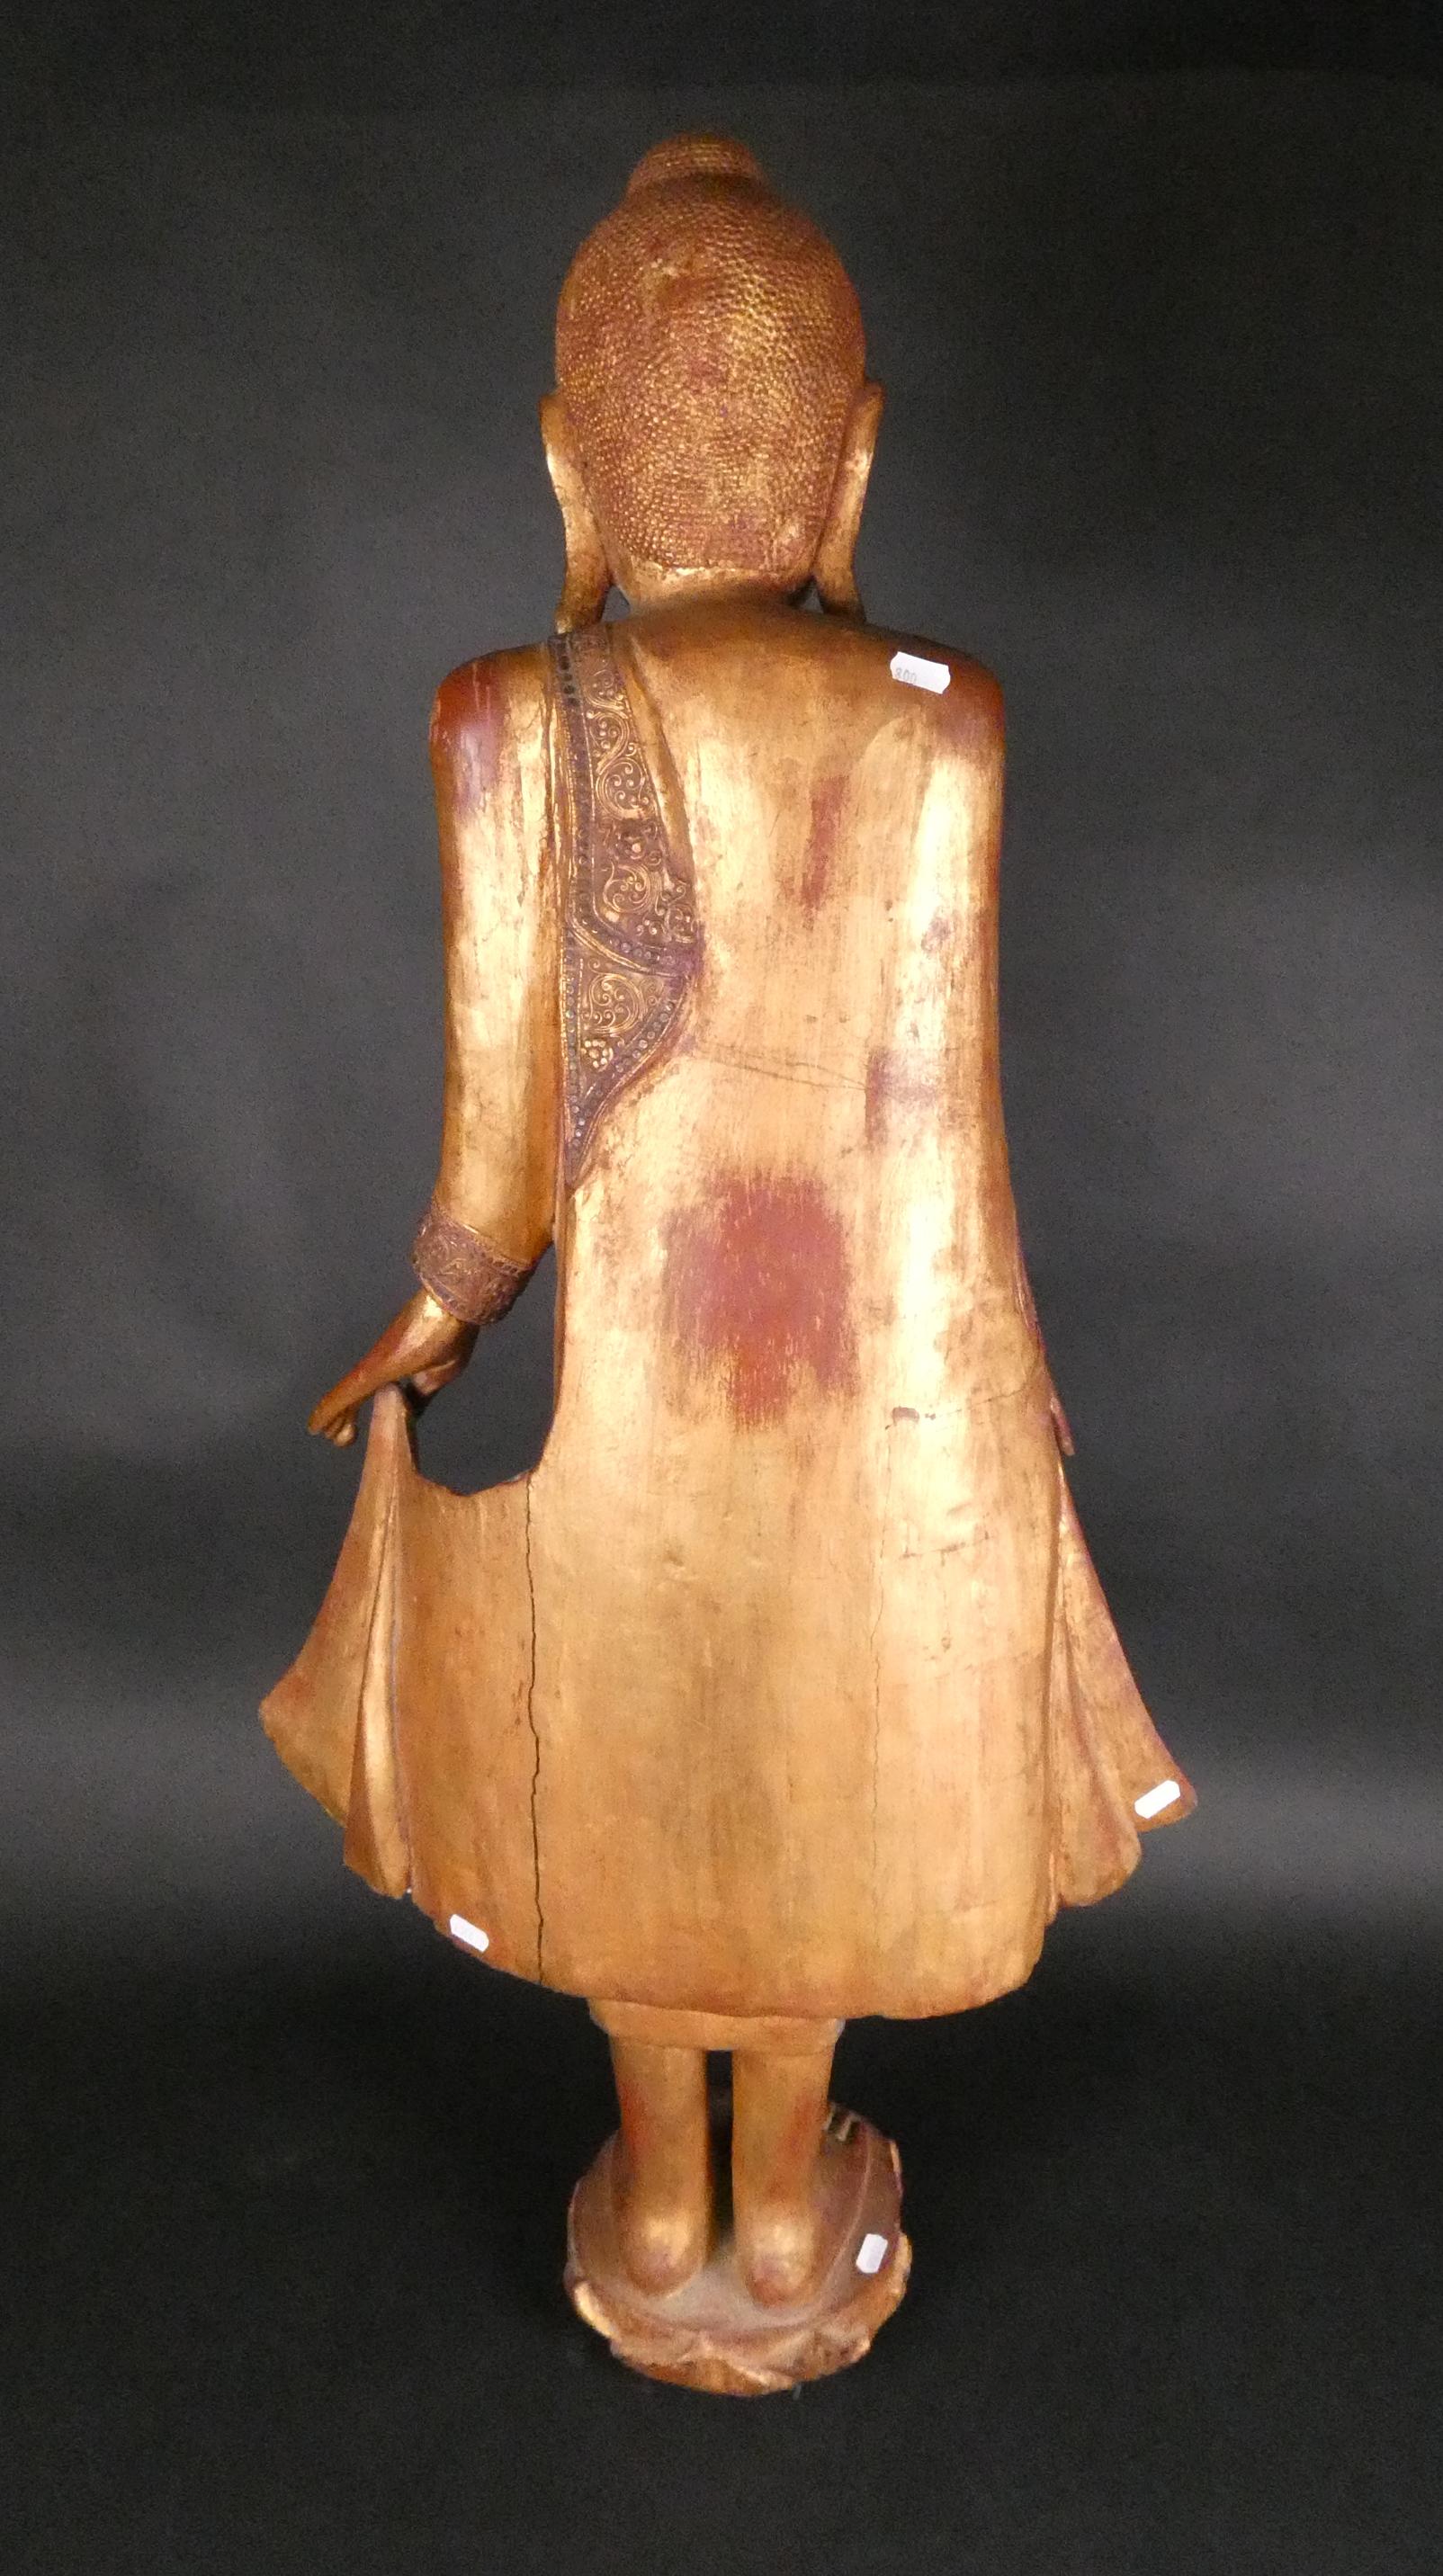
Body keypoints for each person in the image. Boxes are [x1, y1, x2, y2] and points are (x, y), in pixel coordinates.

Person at [264, 132, 1194, 2393]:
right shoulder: (939, 725)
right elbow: (946, 1129)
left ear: (570, 468)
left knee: (638, 1757)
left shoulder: (506, 722)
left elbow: (494, 1167)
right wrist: (1014, 1385)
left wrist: (432, 1319)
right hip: (886, 1411)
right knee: (813, 1768)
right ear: (847, 467)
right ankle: (780, 2214)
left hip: (635, 1435)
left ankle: (663, 2202)